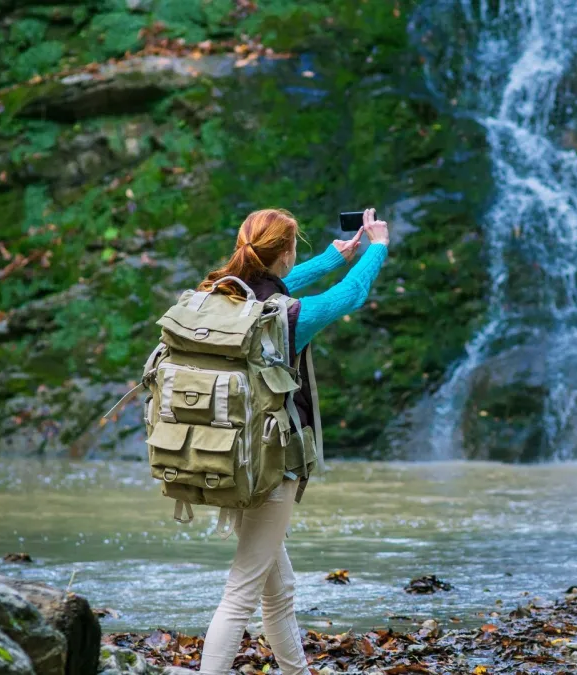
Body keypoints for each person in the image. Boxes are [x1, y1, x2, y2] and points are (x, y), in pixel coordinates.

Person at [196, 207, 389, 674]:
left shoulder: (217, 296)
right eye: (293, 249)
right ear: (284, 253)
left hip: (224, 452)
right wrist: (378, 246)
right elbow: (351, 294)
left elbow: (277, 286)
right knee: (242, 590)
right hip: (270, 464)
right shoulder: (288, 320)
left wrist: (330, 257)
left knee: (278, 591)